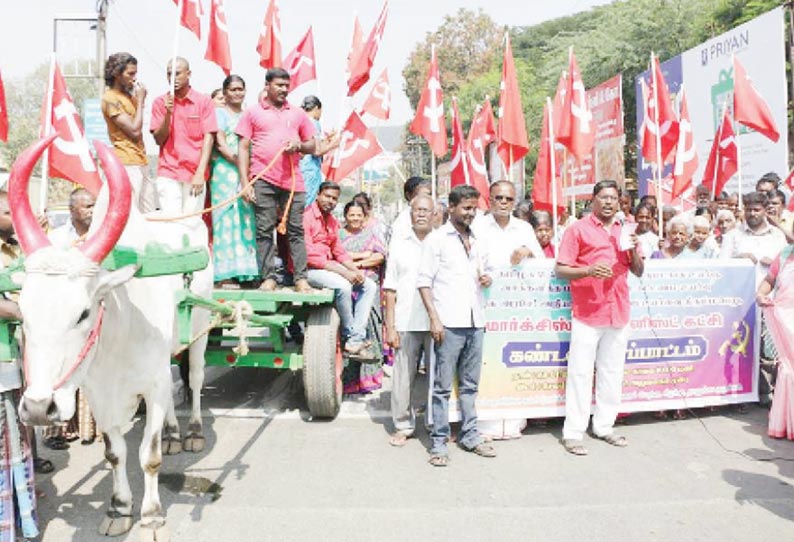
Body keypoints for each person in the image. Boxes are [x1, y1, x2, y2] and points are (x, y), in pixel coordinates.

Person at [555, 180, 644, 456]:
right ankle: (573, 432)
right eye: (604, 197)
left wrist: (631, 249)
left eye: (614, 198)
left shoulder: (625, 230)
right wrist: (588, 271)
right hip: (588, 312)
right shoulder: (577, 229)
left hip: (619, 311)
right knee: (580, 373)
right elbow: (560, 269)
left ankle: (604, 426)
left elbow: (639, 270)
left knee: (612, 372)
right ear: (593, 200)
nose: (609, 202)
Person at [418, 184, 497, 467]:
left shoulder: (478, 239)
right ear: (450, 208)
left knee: (470, 385)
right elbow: (424, 282)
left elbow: (486, 271)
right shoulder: (436, 240)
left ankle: (470, 435)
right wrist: (434, 318)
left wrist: (487, 278)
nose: (470, 213)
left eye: (474, 208)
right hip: (448, 323)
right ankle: (439, 443)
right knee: (440, 387)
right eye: (465, 208)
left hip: (476, 320)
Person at [473, 181, 543, 440]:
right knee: (486, 362)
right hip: (485, 305)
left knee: (513, 361)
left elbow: (540, 263)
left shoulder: (523, 228)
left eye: (508, 199)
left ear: (514, 202)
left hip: (516, 310)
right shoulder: (477, 226)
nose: (503, 202)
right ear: (489, 199)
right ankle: (485, 424)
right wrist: (481, 275)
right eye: (498, 198)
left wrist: (526, 250)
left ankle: (513, 422)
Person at [237, 68, 316, 293]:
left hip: (293, 183)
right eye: (279, 85)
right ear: (267, 85)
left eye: (286, 85)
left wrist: (299, 145)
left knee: (295, 230)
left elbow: (313, 145)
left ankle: (301, 278)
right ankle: (269, 278)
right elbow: (243, 148)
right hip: (263, 179)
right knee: (264, 230)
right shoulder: (252, 113)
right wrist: (246, 182)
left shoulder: (298, 113)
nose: (284, 89)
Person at [384, 194, 434, 447]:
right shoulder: (399, 245)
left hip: (438, 322)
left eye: (427, 210)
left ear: (435, 214)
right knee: (403, 378)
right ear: (410, 214)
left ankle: (436, 424)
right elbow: (390, 288)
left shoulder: (443, 243)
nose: (422, 214)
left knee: (438, 377)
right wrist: (390, 326)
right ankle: (403, 425)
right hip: (405, 320)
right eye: (418, 210)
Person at [305, 182, 377, 354]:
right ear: (318, 195)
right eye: (327, 196)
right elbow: (310, 256)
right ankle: (351, 336)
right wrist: (344, 272)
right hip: (308, 270)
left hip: (328, 268)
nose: (330, 201)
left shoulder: (330, 221)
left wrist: (355, 271)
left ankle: (356, 337)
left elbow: (339, 251)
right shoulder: (306, 217)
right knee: (344, 286)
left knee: (369, 285)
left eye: (334, 198)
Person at [150, 56, 217, 216]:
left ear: (189, 74)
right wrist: (168, 114)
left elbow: (209, 137)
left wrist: (200, 172)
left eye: (178, 73)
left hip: (195, 173)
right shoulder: (160, 102)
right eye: (169, 74)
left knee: (192, 221)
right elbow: (159, 140)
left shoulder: (203, 101)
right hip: (169, 171)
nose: (173, 78)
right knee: (171, 221)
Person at [208, 75, 258, 287]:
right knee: (225, 218)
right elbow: (220, 143)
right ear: (225, 92)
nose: (237, 93)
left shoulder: (249, 115)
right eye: (233, 90)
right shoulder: (219, 113)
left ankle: (245, 271)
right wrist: (239, 161)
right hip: (224, 172)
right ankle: (225, 274)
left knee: (245, 218)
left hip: (246, 173)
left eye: (241, 89)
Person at [338, 200, 387, 393]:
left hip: (369, 287)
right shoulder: (339, 235)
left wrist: (355, 263)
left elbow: (380, 256)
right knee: (348, 330)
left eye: (359, 215)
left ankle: (369, 379)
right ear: (346, 216)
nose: (355, 218)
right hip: (347, 287)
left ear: (364, 217)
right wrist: (362, 255)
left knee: (370, 326)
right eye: (352, 215)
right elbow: (337, 256)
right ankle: (350, 381)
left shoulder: (371, 233)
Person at [101, 52, 156, 212]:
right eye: (130, 74)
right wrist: (140, 102)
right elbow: (134, 130)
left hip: (141, 160)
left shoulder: (128, 97)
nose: (134, 78)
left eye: (135, 73)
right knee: (131, 213)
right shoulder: (110, 98)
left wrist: (137, 101)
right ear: (117, 74)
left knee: (149, 212)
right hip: (126, 162)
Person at [756, 244, 794, 438]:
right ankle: (785, 422)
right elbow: (769, 280)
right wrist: (761, 294)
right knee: (788, 369)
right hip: (786, 318)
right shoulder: (785, 253)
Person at [299, 96, 340, 207]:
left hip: (301, 169)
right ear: (317, 108)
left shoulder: (301, 121)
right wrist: (333, 144)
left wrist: (326, 141)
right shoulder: (313, 123)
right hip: (310, 169)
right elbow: (316, 151)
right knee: (308, 204)